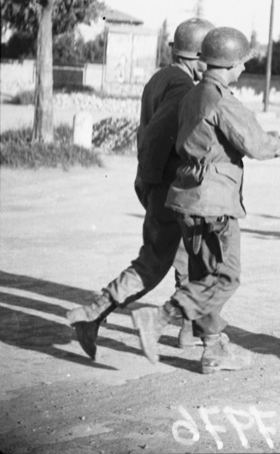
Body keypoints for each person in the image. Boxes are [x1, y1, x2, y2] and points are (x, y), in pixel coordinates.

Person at [130, 27, 280, 374]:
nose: (244, 69)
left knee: (204, 274)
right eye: (242, 63)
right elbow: (255, 143)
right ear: (230, 63)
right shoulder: (222, 100)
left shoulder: (194, 95)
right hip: (213, 202)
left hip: (188, 198)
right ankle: (159, 318)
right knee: (225, 277)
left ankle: (214, 350)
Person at [66, 18, 214, 360]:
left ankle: (186, 329)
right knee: (170, 263)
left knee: (176, 259)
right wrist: (149, 178)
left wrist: (146, 179)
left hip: (159, 186)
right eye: (208, 54)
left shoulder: (161, 78)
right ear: (196, 56)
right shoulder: (181, 88)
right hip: (168, 187)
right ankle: (94, 314)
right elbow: (158, 136)